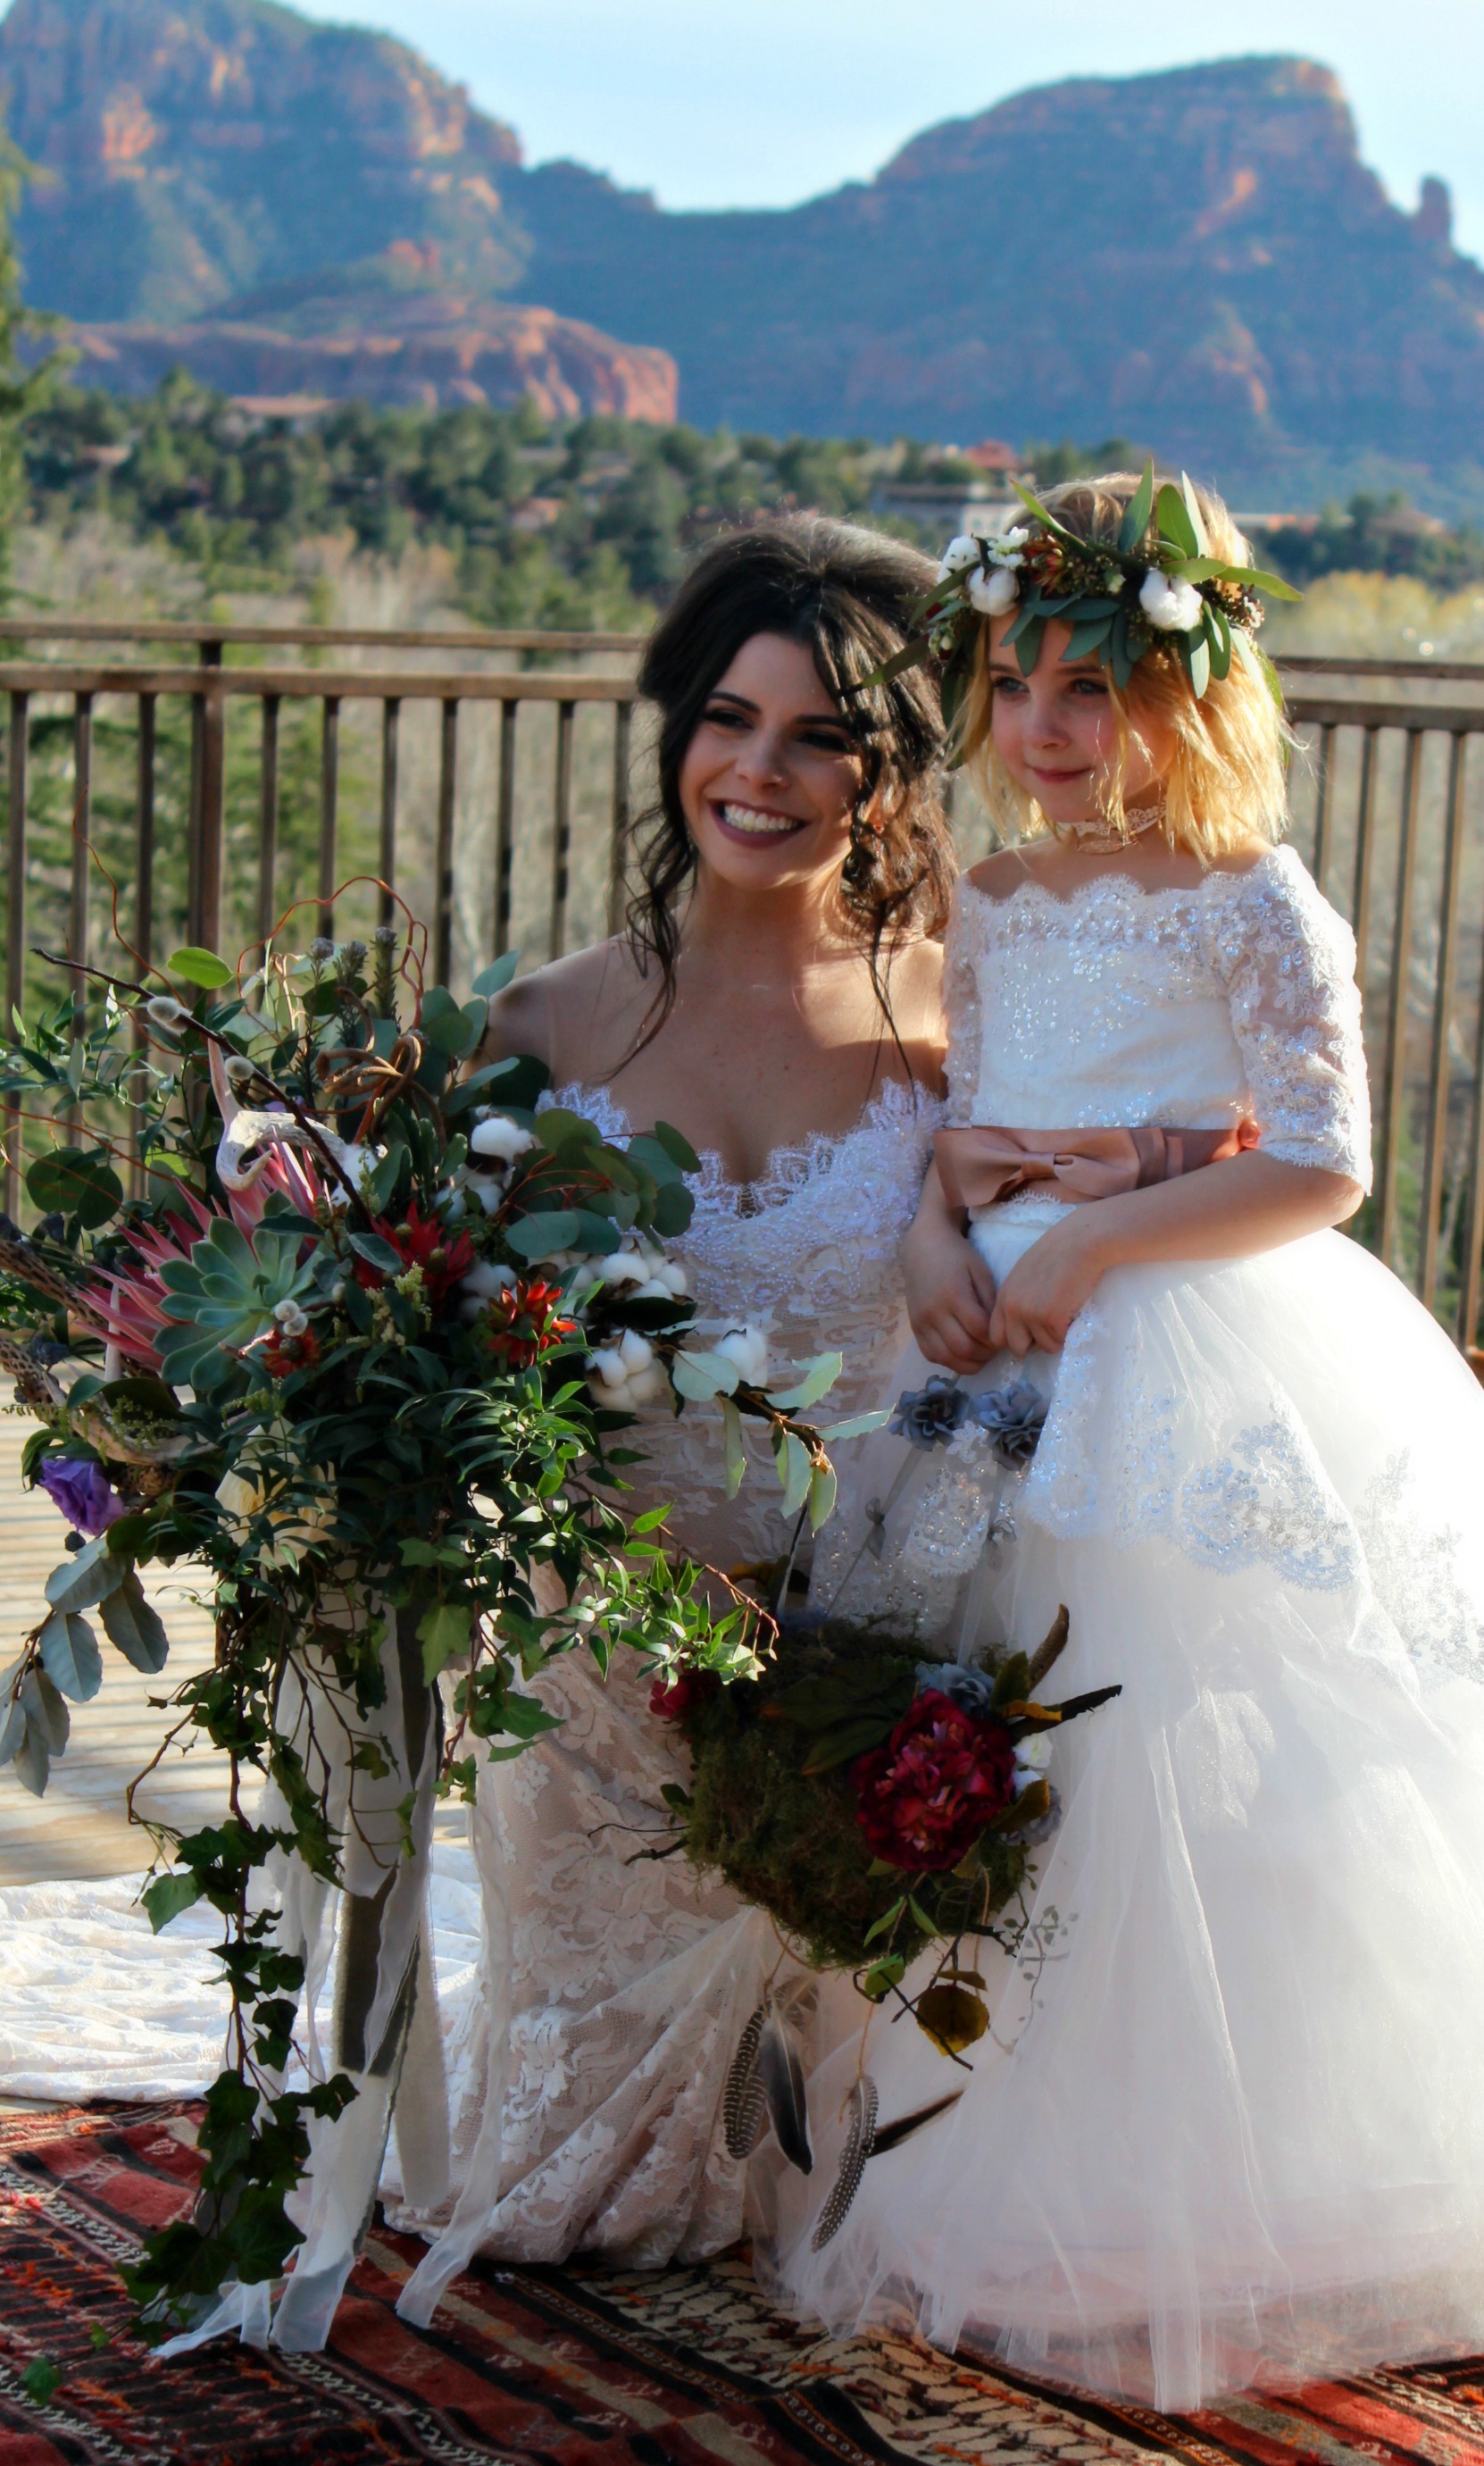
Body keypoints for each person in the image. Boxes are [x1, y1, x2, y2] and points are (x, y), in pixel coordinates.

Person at [772, 473, 1484, 2411]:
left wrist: (1093, 1240)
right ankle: (996, 2178)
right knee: (994, 1752)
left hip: (1179, 1344)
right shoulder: (991, 904)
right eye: (1014, 684)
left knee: (1172, 1758)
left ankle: (1242, 2196)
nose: (1045, 729)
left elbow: (1323, 1164)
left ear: (1190, 693)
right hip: (994, 1354)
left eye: (1091, 686)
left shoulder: (1254, 893)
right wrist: (940, 1235)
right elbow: (972, 1123)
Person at [387, 512, 957, 2301]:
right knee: (590, 2204)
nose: (758, 771)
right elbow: (451, 1338)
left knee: (854, 2184)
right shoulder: (542, 1026)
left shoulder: (967, 1028)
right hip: (596, 1642)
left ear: (896, 774)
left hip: (862, 1641)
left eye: (820, 737)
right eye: (726, 717)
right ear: (670, 731)